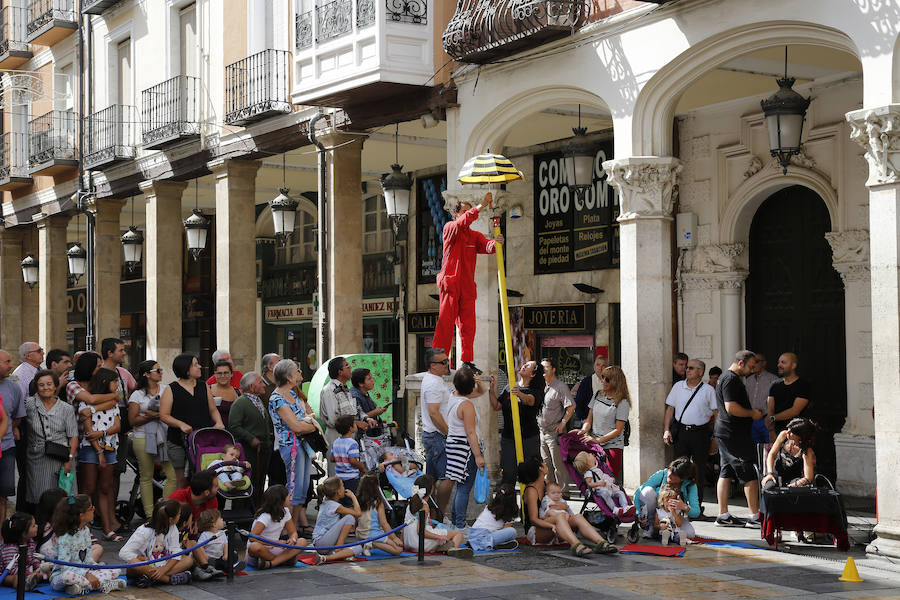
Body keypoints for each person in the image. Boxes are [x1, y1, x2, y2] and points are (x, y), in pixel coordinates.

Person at [431, 191, 503, 375]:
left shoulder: (474, 236)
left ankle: (467, 361)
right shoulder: (450, 228)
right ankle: (439, 360)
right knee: (445, 323)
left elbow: (487, 247)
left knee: (468, 326)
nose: (467, 215)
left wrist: (497, 242)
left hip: (466, 287)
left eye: (468, 211)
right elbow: (463, 223)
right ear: (456, 213)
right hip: (451, 284)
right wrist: (481, 205)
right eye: (464, 211)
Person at [517, 456, 616, 556]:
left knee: (578, 517)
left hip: (556, 521)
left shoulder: (546, 483)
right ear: (540, 469)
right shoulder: (531, 491)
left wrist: (563, 507)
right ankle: (576, 545)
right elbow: (534, 519)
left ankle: (601, 543)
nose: (546, 464)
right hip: (538, 529)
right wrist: (552, 525)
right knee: (560, 517)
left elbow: (560, 501)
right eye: (543, 463)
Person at [714, 350, 763, 528]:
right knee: (748, 473)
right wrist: (752, 413)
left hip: (727, 432)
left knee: (726, 471)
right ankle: (754, 517)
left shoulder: (725, 378)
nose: (751, 370)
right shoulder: (731, 379)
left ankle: (723, 515)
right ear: (740, 363)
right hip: (733, 434)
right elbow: (731, 407)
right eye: (750, 366)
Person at [160, 353, 224, 488]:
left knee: (203, 477)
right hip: (178, 440)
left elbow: (212, 409)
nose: (200, 366)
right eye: (195, 364)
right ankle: (182, 508)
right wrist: (181, 424)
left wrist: (219, 422)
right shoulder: (171, 389)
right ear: (186, 369)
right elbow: (164, 415)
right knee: (182, 480)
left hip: (202, 438)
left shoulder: (203, 386)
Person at [268, 359, 316, 534]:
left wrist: (307, 425)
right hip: (291, 446)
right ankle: (287, 528)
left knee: (302, 488)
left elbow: (306, 418)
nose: (299, 373)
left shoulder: (293, 395)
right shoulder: (277, 398)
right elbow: (296, 426)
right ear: (288, 377)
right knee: (293, 487)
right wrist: (311, 427)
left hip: (302, 444)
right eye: (297, 371)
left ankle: (294, 527)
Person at [662, 358, 717, 505]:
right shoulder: (678, 386)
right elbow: (670, 409)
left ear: (700, 372)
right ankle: (675, 503)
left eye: (691, 368)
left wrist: (715, 437)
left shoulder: (708, 390)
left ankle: (696, 506)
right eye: (687, 367)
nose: (687, 370)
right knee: (678, 469)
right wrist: (666, 430)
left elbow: (717, 414)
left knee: (698, 470)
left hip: (700, 433)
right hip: (681, 432)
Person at [77, 368, 123, 541]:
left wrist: (102, 433)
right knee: (88, 488)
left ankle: (107, 529)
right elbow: (89, 432)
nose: (117, 385)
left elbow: (118, 426)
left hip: (110, 446)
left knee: (105, 488)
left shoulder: (113, 401)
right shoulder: (85, 402)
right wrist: (99, 452)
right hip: (91, 449)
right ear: (105, 382)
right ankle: (85, 530)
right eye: (115, 381)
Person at [49, 494, 126, 595]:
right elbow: (65, 567)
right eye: (91, 508)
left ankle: (81, 588)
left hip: (83, 573)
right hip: (62, 576)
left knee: (115, 570)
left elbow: (88, 559)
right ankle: (102, 585)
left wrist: (96, 568)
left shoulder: (85, 531)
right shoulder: (65, 537)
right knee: (67, 576)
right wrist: (87, 574)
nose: (94, 509)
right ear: (81, 515)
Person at [129, 360, 176, 519]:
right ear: (147, 374)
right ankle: (150, 515)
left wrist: (154, 415)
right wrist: (153, 417)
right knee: (146, 476)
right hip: (142, 437)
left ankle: (164, 508)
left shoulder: (166, 390)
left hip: (163, 437)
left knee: (172, 476)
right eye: (158, 370)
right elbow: (133, 420)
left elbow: (170, 413)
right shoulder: (137, 394)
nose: (161, 372)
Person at [25, 371, 78, 506]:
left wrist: (69, 460)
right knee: (39, 499)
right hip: (37, 458)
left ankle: (60, 526)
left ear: (55, 386)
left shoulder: (66, 408)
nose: (45, 387)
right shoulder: (29, 404)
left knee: (62, 499)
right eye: (41, 385)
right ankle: (42, 526)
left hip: (61, 458)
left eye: (49, 384)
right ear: (36, 388)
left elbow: (73, 437)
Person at [443, 365, 487, 529]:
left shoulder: (453, 396)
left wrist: (479, 382)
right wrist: (478, 456)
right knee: (464, 487)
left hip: (453, 444)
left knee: (459, 485)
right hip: (465, 448)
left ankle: (456, 522)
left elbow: (479, 392)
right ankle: (460, 523)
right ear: (470, 387)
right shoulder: (467, 405)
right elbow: (470, 432)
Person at [490, 360, 544, 485]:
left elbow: (530, 401)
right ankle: (508, 502)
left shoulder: (535, 390)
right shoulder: (509, 387)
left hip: (528, 438)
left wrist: (519, 394)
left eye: (528, 366)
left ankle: (530, 502)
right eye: (524, 364)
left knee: (530, 473)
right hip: (509, 437)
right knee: (508, 473)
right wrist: (491, 390)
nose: (524, 366)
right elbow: (497, 406)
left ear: (533, 374)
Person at [119, 498, 194, 588]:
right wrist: (142, 558)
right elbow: (123, 553)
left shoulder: (173, 528)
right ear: (170, 519)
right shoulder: (144, 531)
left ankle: (151, 578)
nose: (180, 516)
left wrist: (163, 570)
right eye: (179, 514)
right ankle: (169, 579)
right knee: (133, 562)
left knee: (188, 560)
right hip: (144, 567)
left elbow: (176, 553)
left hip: (163, 565)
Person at [578, 365, 630, 482]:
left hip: (612, 447)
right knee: (594, 480)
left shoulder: (622, 402)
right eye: (603, 378)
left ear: (616, 381)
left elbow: (618, 430)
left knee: (608, 481)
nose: (603, 381)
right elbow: (589, 419)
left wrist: (599, 440)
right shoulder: (597, 394)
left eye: (607, 379)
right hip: (594, 445)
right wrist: (582, 431)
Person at [227, 372, 274, 505]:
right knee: (250, 480)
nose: (264, 385)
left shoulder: (258, 400)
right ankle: (247, 511)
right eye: (260, 382)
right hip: (249, 450)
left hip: (263, 449)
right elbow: (234, 425)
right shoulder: (240, 403)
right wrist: (251, 438)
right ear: (252, 386)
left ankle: (257, 508)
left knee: (260, 480)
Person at [401, 475, 472, 557]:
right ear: (431, 490)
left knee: (441, 532)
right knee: (458, 534)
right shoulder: (424, 506)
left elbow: (404, 527)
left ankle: (442, 547)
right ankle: (452, 549)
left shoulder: (410, 504)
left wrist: (402, 543)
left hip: (408, 543)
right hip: (419, 544)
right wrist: (439, 537)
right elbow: (420, 531)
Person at [419, 348, 453, 513]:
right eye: (443, 362)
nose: (447, 364)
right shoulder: (433, 383)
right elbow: (434, 413)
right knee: (448, 477)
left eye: (447, 360)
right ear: (433, 366)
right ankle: (439, 514)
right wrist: (448, 433)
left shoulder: (436, 379)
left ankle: (430, 514)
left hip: (435, 435)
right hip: (437, 436)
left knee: (430, 480)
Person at [633, 457, 701, 535]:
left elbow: (696, 512)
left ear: (682, 479)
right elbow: (639, 492)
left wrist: (684, 507)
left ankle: (666, 533)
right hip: (657, 514)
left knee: (690, 534)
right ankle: (651, 526)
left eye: (674, 474)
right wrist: (638, 512)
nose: (669, 475)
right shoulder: (662, 474)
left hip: (674, 517)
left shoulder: (690, 485)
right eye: (670, 470)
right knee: (647, 491)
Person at [246, 485, 307, 569]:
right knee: (255, 547)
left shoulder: (285, 512)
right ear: (280, 501)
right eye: (287, 496)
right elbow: (252, 537)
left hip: (276, 548)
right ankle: (284, 560)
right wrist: (276, 543)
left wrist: (292, 540)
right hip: (263, 550)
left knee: (302, 541)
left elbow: (293, 532)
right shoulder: (265, 516)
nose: (289, 497)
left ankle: (271, 563)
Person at [320, 357, 369, 460]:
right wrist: (356, 423)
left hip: (350, 437)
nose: (350, 367)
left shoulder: (346, 389)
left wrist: (366, 418)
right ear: (340, 372)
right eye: (347, 366)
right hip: (336, 437)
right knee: (337, 473)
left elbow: (356, 409)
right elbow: (334, 419)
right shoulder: (329, 390)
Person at [539, 358, 574, 488]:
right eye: (541, 367)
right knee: (546, 464)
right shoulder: (540, 385)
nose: (543, 369)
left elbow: (571, 406)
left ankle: (563, 492)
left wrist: (563, 423)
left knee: (558, 464)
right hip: (542, 431)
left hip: (555, 432)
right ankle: (552, 491)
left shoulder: (560, 386)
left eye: (546, 367)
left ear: (553, 369)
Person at [312, 477, 364, 562]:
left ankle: (326, 558)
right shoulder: (335, 506)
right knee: (349, 518)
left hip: (322, 545)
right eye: (342, 486)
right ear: (338, 492)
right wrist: (353, 496)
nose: (344, 488)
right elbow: (358, 513)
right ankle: (339, 548)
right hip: (322, 542)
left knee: (359, 548)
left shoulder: (326, 501)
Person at [0, 349, 25, 523]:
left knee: (3, 494)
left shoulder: (13, 387)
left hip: (6, 447)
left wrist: (8, 430)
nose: (11, 365)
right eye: (7, 362)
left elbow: (16, 417)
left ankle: (1, 537)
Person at [572, 451, 635, 518]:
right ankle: (615, 509)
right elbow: (589, 484)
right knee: (605, 493)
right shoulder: (589, 473)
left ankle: (625, 507)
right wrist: (599, 483)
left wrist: (610, 479)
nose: (591, 454)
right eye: (589, 455)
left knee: (620, 493)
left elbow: (603, 477)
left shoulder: (598, 469)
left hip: (608, 488)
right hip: (599, 491)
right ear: (588, 463)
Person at [354, 471, 404, 556]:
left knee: (391, 543)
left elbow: (356, 520)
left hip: (360, 534)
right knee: (398, 549)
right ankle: (371, 543)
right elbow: (384, 523)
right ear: (377, 486)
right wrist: (394, 538)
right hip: (374, 534)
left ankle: (365, 543)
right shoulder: (377, 502)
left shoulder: (358, 500)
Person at [761, 418, 816, 489]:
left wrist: (788, 487)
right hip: (775, 475)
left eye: (791, 432)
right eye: (788, 429)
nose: (787, 432)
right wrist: (769, 474)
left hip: (792, 479)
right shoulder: (783, 435)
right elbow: (771, 454)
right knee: (769, 487)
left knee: (799, 489)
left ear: (800, 435)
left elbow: (808, 478)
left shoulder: (806, 450)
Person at [766, 353, 811, 438]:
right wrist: (771, 431)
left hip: (798, 432)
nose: (779, 365)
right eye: (779, 362)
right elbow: (770, 410)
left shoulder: (803, 385)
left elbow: (795, 411)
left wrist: (773, 418)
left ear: (793, 365)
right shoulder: (774, 385)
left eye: (783, 362)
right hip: (777, 432)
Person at [260, 353, 286, 487]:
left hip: (283, 437)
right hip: (270, 437)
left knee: (282, 475)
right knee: (273, 476)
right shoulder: (261, 386)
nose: (282, 364)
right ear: (270, 366)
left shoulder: (282, 384)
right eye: (279, 362)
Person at [468, 484, 519, 552]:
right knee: (512, 532)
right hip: (484, 537)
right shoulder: (509, 514)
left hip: (472, 535)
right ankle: (488, 544)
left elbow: (479, 518)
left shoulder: (488, 507)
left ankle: (489, 543)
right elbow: (506, 530)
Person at [1, 511, 44, 591]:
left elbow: (33, 556)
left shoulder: (30, 541)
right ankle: (26, 584)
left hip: (26, 571)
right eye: (33, 526)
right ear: (24, 534)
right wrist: (29, 573)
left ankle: (31, 580)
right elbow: (12, 570)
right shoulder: (10, 548)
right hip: (7, 574)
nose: (37, 526)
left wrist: (37, 565)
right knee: (16, 579)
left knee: (43, 571)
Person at [745, 353, 777, 445]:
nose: (753, 364)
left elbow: (777, 403)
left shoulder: (773, 379)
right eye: (752, 362)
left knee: (769, 449)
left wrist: (771, 424)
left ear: (764, 363)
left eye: (756, 362)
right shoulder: (748, 380)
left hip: (767, 420)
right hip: (751, 420)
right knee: (754, 450)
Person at [331, 415, 364, 493]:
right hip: (351, 478)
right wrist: (362, 467)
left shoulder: (336, 442)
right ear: (350, 428)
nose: (356, 424)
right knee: (351, 499)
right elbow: (353, 461)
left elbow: (332, 459)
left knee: (341, 498)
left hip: (339, 477)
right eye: (354, 423)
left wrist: (342, 458)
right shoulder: (352, 443)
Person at [573, 356, 608, 423]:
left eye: (603, 365)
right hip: (589, 420)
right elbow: (579, 401)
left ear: (607, 368)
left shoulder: (611, 381)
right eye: (598, 365)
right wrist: (583, 418)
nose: (600, 368)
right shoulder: (586, 382)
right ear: (594, 367)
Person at [208, 360, 240, 427]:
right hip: (211, 432)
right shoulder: (208, 390)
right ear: (215, 375)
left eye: (226, 373)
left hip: (233, 433)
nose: (223, 376)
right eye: (219, 373)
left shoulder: (238, 392)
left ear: (231, 374)